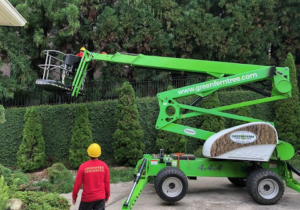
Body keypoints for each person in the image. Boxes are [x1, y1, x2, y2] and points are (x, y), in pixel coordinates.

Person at [72, 143, 110, 210]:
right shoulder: (104, 166)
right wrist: (107, 196)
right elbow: (107, 183)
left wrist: (74, 197)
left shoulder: (83, 167)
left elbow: (77, 184)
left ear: (88, 154)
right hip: (100, 198)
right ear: (99, 154)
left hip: (87, 199)